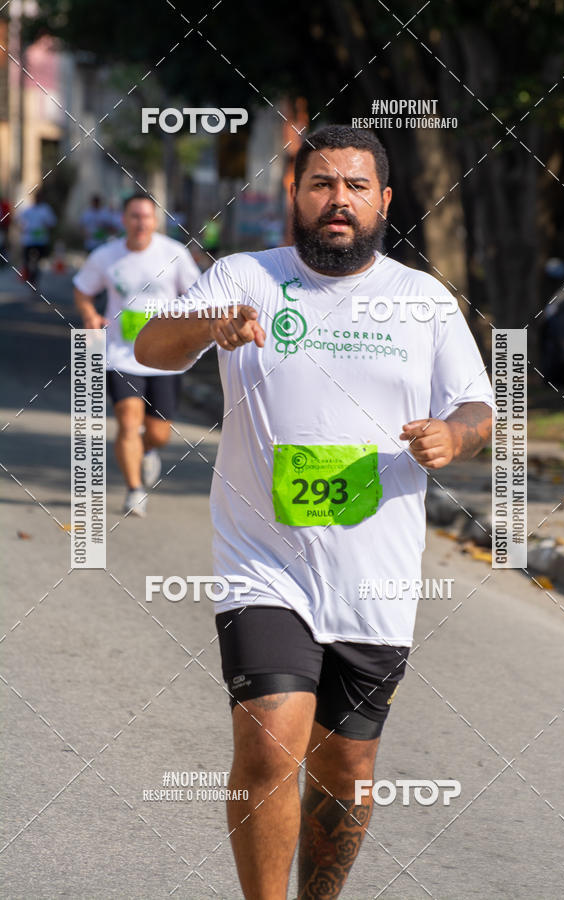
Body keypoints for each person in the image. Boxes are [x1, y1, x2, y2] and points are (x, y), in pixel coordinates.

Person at [135, 125, 494, 898]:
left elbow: (478, 406)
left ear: (385, 201)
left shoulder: (421, 299)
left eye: (356, 187)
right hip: (263, 563)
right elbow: (151, 346)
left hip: (376, 575)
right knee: (270, 743)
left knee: (348, 764)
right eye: (321, 184)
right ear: (295, 195)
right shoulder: (246, 278)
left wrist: (452, 435)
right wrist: (210, 325)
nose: (338, 201)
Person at [73, 193, 199, 517]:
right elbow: (83, 289)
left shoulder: (174, 254)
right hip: (121, 354)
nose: (140, 223)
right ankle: (135, 490)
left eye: (146, 216)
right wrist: (89, 314)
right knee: (129, 423)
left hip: (165, 357)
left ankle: (146, 452)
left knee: (159, 433)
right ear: (123, 220)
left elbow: (197, 295)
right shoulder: (106, 256)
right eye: (134, 216)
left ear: (154, 220)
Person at [18, 192, 57, 286]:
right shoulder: (28, 209)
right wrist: (22, 227)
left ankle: (34, 279)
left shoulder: (46, 209)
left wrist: (46, 225)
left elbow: (52, 222)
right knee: (27, 260)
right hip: (29, 240)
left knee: (38, 262)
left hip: (41, 240)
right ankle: (29, 276)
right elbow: (18, 219)